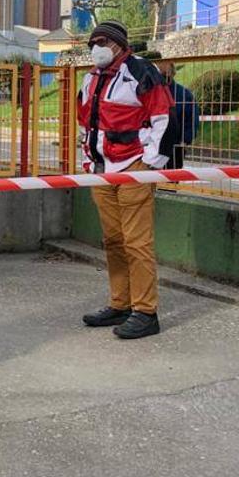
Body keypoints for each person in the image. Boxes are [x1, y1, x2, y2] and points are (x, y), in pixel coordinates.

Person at [78, 21, 173, 340]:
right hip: (102, 168)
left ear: (119, 44)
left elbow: (164, 118)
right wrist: (88, 161)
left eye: (102, 41)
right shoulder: (90, 78)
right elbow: (85, 124)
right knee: (114, 240)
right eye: (92, 43)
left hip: (133, 164)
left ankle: (145, 312)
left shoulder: (141, 71)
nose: (96, 48)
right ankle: (120, 303)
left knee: (137, 242)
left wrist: (149, 163)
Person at [156, 59, 199, 169]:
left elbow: (192, 119)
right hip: (152, 144)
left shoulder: (184, 94)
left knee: (171, 180)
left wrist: (185, 140)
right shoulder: (149, 92)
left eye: (165, 73)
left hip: (175, 146)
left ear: (172, 72)